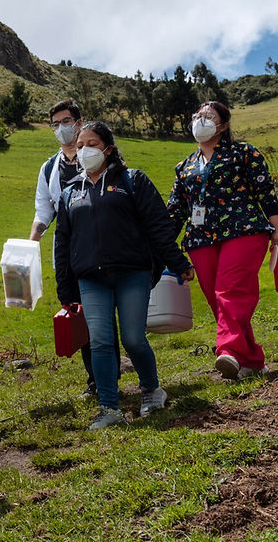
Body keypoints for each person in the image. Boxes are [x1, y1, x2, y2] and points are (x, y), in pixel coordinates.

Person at [55, 121, 194, 429]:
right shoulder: (69, 194)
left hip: (133, 273)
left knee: (132, 337)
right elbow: (62, 243)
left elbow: (159, 226)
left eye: (91, 144)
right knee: (102, 342)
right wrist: (65, 290)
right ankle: (109, 408)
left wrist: (177, 261)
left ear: (108, 148)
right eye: (79, 147)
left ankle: (151, 391)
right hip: (90, 279)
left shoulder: (133, 181)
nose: (84, 151)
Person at [167, 100, 278, 380]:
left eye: (208, 116)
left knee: (230, 291)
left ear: (223, 125)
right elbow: (176, 210)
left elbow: (264, 190)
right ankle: (252, 361)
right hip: (200, 238)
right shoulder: (184, 167)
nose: (201, 120)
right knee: (217, 300)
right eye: (198, 115)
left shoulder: (243, 153)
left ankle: (228, 350)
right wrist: (160, 245)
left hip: (244, 230)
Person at [31, 100, 117, 397]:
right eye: (55, 124)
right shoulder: (49, 168)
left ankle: (110, 374)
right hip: (70, 250)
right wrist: (31, 242)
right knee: (80, 314)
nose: (61, 129)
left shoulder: (93, 158)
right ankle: (96, 379)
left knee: (103, 316)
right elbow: (44, 210)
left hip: (105, 246)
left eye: (66, 121)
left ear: (79, 122)